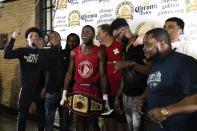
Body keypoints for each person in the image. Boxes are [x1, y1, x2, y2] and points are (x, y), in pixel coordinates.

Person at [143, 28, 197, 131]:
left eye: (149, 44)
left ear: (162, 43)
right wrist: (143, 97)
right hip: (158, 126)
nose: (144, 48)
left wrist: (165, 111)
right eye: (144, 45)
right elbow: (154, 84)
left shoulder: (185, 63)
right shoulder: (156, 62)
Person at [60, 25, 110, 131]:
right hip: (77, 89)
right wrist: (64, 93)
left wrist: (105, 98)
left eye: (88, 32)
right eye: (83, 32)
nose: (84, 34)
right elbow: (69, 73)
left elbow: (103, 76)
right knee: (79, 122)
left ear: (93, 35)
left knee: (93, 123)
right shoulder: (74, 52)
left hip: (93, 90)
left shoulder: (100, 52)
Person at [110, 18, 149, 131]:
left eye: (117, 36)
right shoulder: (124, 48)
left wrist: (130, 64)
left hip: (140, 96)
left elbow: (149, 70)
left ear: (125, 30)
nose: (117, 40)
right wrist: (118, 96)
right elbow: (124, 74)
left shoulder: (143, 44)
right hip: (126, 96)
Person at [4, 27, 45, 131]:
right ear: (27, 39)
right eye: (31, 36)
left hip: (40, 90)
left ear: (40, 39)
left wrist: (45, 87)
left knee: (41, 116)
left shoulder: (44, 53)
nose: (33, 38)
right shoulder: (22, 51)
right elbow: (7, 54)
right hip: (26, 90)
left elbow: (48, 71)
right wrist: (13, 38)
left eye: (36, 36)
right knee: (22, 116)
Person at [97, 23, 127, 131]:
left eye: (99, 33)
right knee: (107, 119)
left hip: (119, 91)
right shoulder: (99, 49)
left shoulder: (120, 45)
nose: (97, 36)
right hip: (104, 92)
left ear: (105, 33)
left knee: (121, 121)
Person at [38, 30, 71, 131]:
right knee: (49, 121)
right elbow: (41, 72)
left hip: (64, 93)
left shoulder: (66, 53)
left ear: (60, 38)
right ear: (49, 41)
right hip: (50, 93)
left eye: (56, 36)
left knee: (64, 120)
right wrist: (43, 87)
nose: (54, 38)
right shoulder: (46, 53)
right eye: (51, 37)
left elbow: (70, 73)